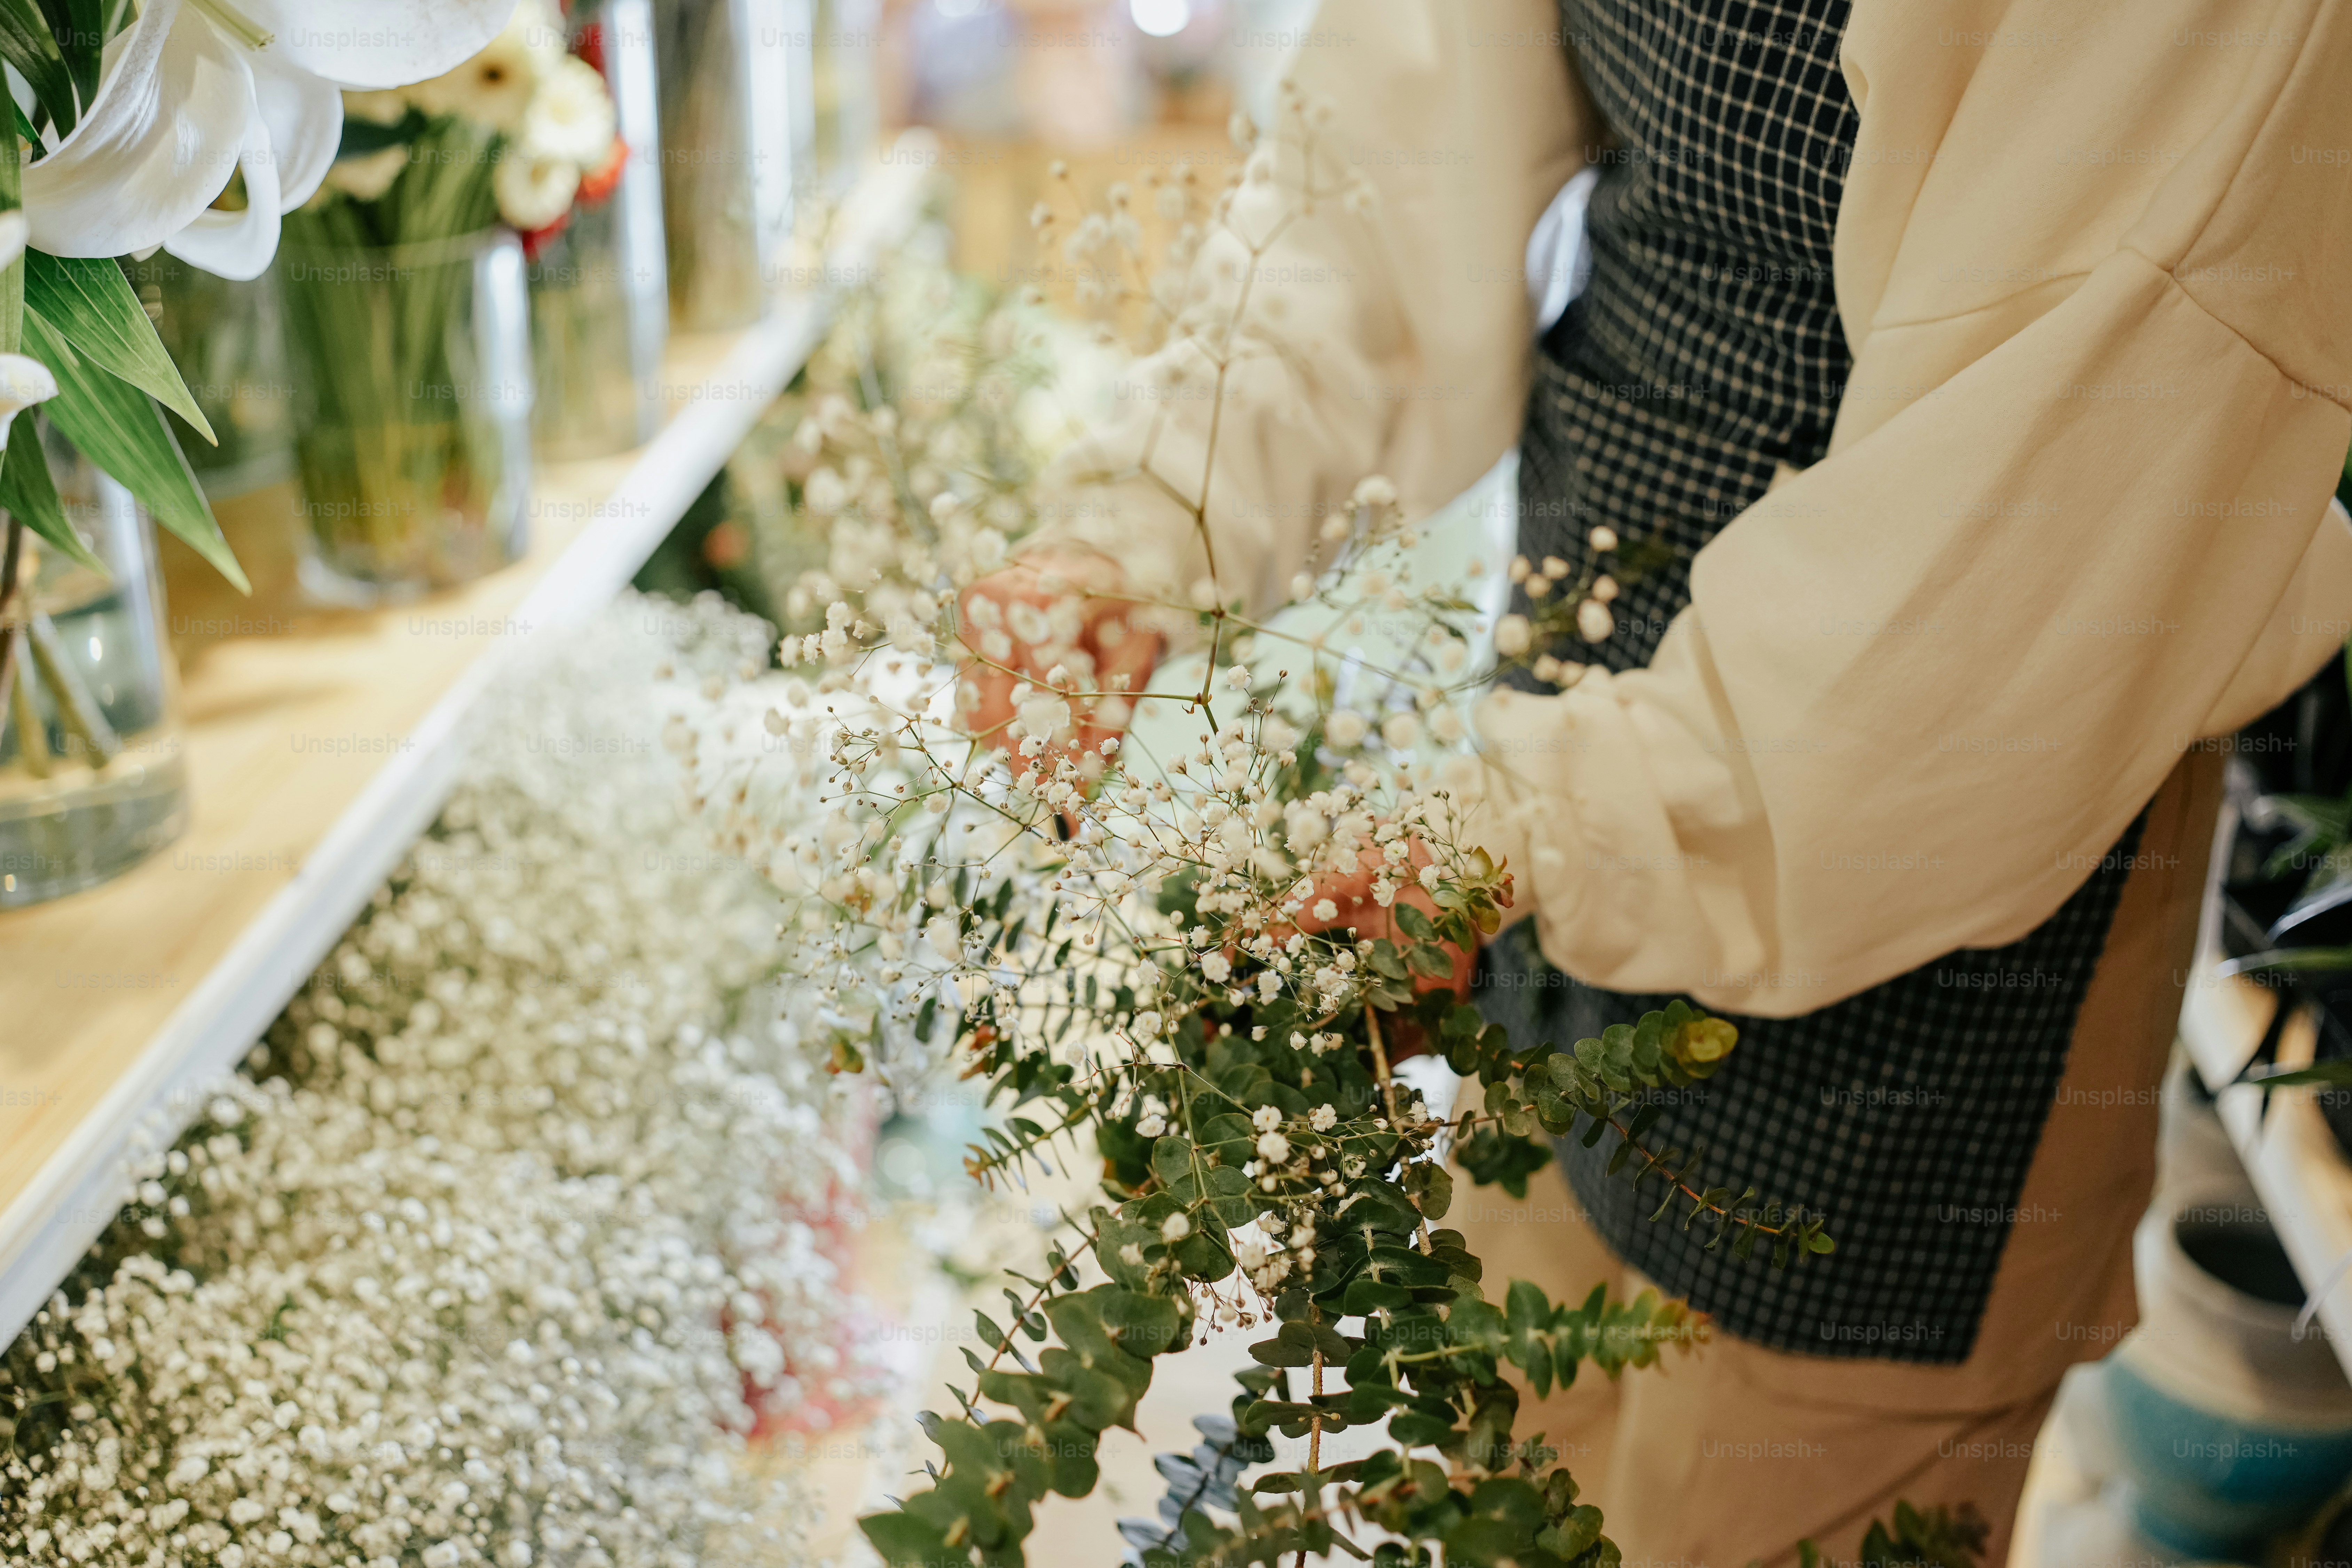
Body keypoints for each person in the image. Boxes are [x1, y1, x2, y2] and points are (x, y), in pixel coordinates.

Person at [960, 0, 2352, 1560]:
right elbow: (1412, 117)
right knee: (1503, 1448)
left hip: (1957, 785)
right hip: (1587, 667)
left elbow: (2060, 479)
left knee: (1775, 1489)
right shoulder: (1538, 805)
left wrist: (1527, 829)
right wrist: (1166, 505)